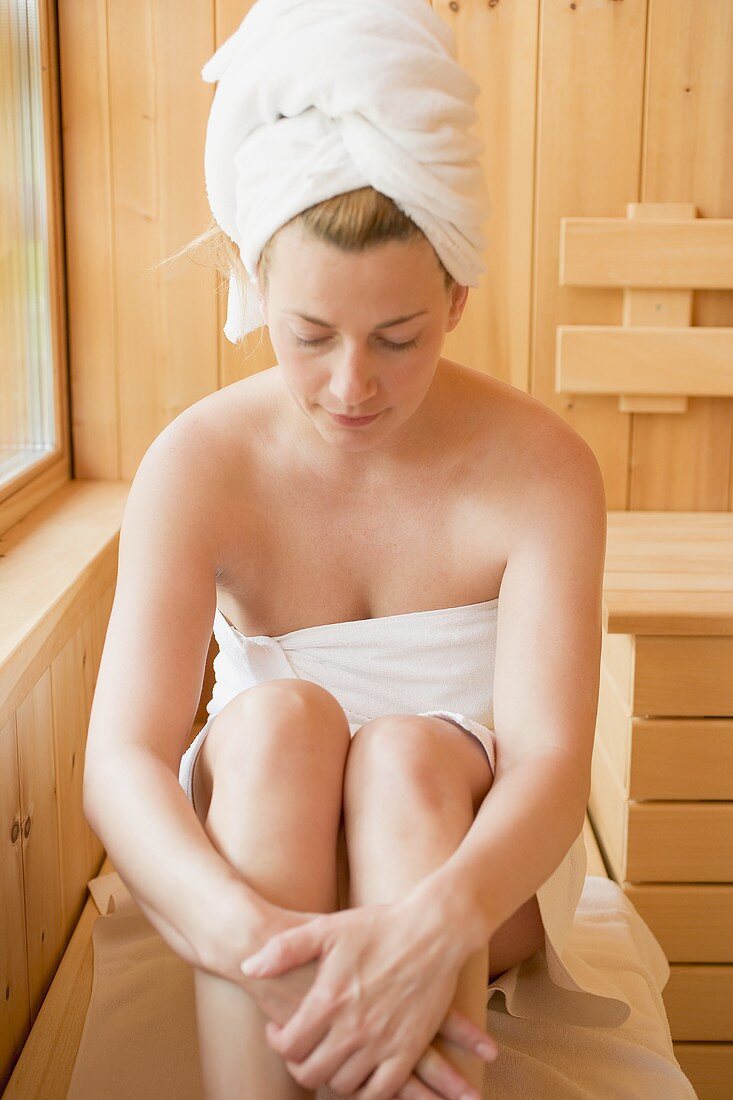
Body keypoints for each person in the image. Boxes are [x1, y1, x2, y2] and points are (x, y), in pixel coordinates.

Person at [83, 4, 618, 1100]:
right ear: (254, 292)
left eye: (398, 339)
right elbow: (119, 759)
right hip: (261, 847)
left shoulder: (544, 467)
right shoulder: (198, 462)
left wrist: (439, 918)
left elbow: (551, 760)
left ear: (456, 297)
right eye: (308, 336)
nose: (349, 387)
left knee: (407, 756)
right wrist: (246, 943)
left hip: (472, 864)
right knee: (281, 720)